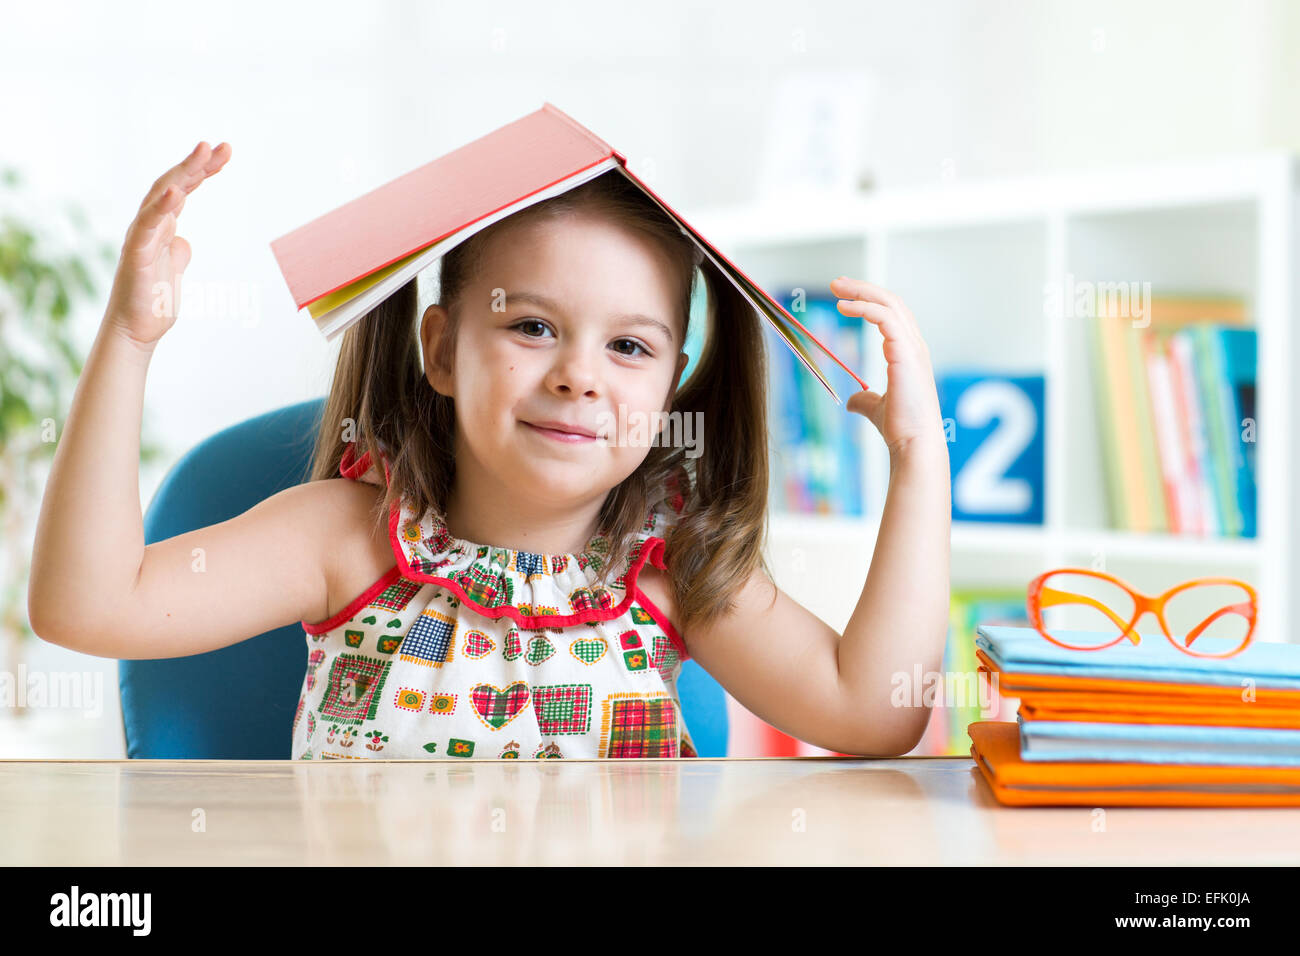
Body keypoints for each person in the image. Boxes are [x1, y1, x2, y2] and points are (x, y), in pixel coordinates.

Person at [28, 140, 951, 760]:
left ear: (670, 383)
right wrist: (130, 339)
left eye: (629, 347)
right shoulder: (347, 538)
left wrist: (918, 460)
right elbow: (88, 607)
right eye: (535, 327)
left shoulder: (675, 566)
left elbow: (876, 712)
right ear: (440, 350)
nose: (581, 377)